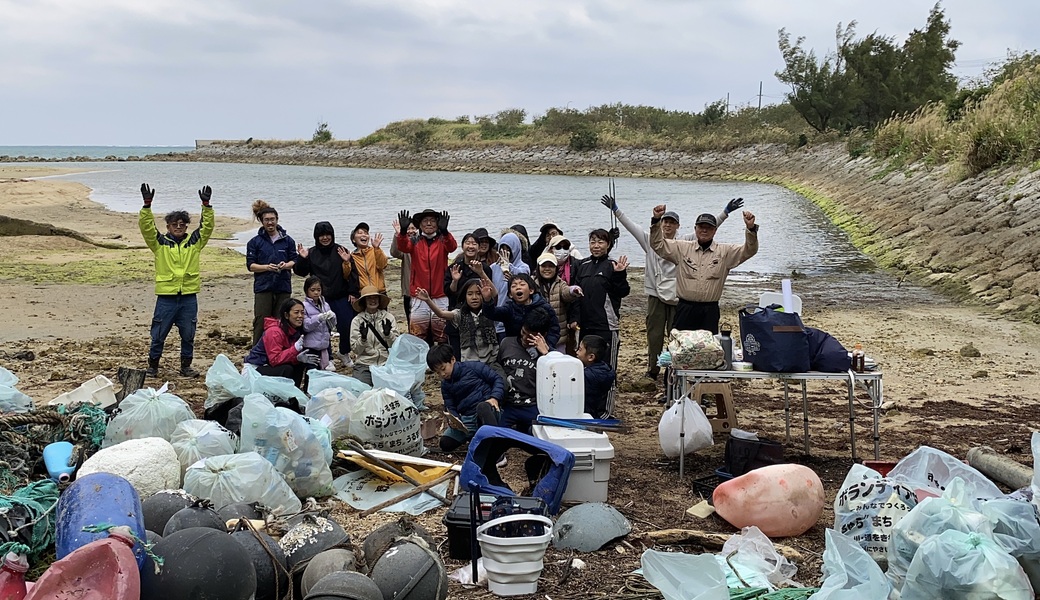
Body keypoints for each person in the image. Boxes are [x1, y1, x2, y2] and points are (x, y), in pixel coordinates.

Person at [602, 193, 741, 380]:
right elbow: (631, 226)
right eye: (665, 222)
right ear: (660, 224)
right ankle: (653, 370)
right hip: (655, 295)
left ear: (678, 226)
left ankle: (674, 372)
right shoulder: (650, 239)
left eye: (672, 223)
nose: (667, 225)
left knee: (677, 337)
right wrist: (616, 210)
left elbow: (706, 230)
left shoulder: (684, 243)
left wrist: (725, 212)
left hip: (677, 297)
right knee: (654, 335)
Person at [138, 182, 215, 378]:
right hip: (166, 297)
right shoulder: (159, 243)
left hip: (188, 296)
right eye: (174, 224)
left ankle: (186, 366)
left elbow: (207, 228)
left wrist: (206, 206)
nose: (178, 227)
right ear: (168, 227)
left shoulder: (194, 242)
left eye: (182, 224)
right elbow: (147, 228)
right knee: (158, 334)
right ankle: (153, 367)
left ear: (186, 226)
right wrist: (147, 206)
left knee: (188, 334)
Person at [649, 204, 759, 333]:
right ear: (695, 229)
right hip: (685, 308)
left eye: (709, 228)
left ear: (715, 230)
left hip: (710, 311)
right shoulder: (681, 248)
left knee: (709, 345)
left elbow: (749, 250)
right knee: (681, 344)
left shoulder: (725, 252)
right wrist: (656, 220)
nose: (704, 230)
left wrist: (751, 229)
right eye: (701, 227)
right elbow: (658, 244)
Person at [293, 222, 353, 365]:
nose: (325, 238)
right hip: (319, 298)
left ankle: (344, 352)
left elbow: (352, 273)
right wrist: (302, 258)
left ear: (332, 235)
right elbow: (300, 272)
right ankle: (328, 358)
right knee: (322, 328)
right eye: (321, 235)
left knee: (347, 324)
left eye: (328, 235)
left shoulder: (341, 250)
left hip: (340, 295)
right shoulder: (311, 253)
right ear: (316, 237)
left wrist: (353, 291)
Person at [427, 343, 504, 452]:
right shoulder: (445, 384)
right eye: (438, 372)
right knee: (446, 443)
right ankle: (475, 437)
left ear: (452, 359)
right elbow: (450, 405)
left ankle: (496, 448)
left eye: (443, 369)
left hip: (487, 412)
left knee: (482, 407)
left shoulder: (473, 367)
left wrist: (494, 397)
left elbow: (497, 379)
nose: (442, 374)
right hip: (467, 419)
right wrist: (454, 419)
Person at [395, 208, 457, 344]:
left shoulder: (443, 240)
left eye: (432, 221)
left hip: (440, 294)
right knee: (418, 334)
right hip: (419, 295)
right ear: (420, 225)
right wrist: (403, 232)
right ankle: (421, 357)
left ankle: (442, 356)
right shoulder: (414, 241)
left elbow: (452, 247)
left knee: (442, 334)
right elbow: (403, 247)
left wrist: (445, 232)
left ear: (438, 224)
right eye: (425, 221)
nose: (429, 223)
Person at [416, 278, 500, 368]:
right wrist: (428, 300)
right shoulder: (460, 314)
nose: (474, 297)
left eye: (478, 293)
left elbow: (495, 295)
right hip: (469, 363)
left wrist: (481, 273)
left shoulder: (490, 311)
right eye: (470, 294)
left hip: (491, 361)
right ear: (465, 296)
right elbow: (441, 314)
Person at [246, 201, 298, 346]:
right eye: (267, 220)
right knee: (261, 320)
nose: (270, 223)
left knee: (282, 321)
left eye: (272, 219)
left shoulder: (288, 241)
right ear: (262, 221)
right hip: (263, 287)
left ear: (277, 219)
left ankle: (279, 349)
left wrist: (286, 265)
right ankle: (257, 350)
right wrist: (266, 267)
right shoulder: (254, 242)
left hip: (283, 286)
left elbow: (294, 260)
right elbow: (251, 266)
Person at [497, 308, 553, 434]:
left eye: (530, 336)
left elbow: (554, 382)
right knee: (496, 434)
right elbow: (497, 368)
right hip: (509, 404)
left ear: (542, 336)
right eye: (523, 332)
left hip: (532, 405)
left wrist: (545, 354)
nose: (525, 338)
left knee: (540, 435)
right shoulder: (507, 343)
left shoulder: (549, 356)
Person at [244, 298, 320, 390]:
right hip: (255, 369)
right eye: (296, 313)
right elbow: (274, 359)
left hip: (269, 366)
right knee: (287, 369)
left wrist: (297, 358)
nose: (300, 316)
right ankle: (284, 393)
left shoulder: (294, 331)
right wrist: (295, 349)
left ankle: (294, 393)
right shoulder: (274, 332)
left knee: (300, 364)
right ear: (286, 315)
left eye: (302, 313)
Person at [444, 232, 493, 359]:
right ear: (462, 246)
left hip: (479, 316)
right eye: (467, 243)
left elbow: (491, 292)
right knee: (457, 353)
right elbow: (449, 292)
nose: (470, 246)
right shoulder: (454, 267)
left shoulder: (485, 269)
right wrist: (455, 281)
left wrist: (481, 272)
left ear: (478, 247)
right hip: (458, 313)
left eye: (474, 243)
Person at [482, 273, 561, 348]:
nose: (518, 287)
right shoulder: (509, 308)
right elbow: (491, 313)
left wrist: (547, 346)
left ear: (531, 290)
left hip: (540, 346)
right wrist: (487, 300)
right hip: (516, 347)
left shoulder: (544, 307)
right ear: (510, 295)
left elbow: (554, 329)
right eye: (514, 286)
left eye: (522, 284)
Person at [349, 285, 399, 385]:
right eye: (369, 298)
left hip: (386, 363)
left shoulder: (388, 318)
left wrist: (388, 335)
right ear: (364, 301)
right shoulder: (357, 320)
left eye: (375, 297)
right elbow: (356, 350)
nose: (373, 300)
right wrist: (363, 339)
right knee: (361, 388)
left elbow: (396, 347)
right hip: (365, 364)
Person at [533, 253, 581, 354]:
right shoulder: (532, 283)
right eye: (544, 266)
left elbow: (566, 292)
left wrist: (573, 290)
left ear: (556, 268)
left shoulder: (560, 283)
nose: (547, 269)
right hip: (536, 334)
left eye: (551, 266)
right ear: (538, 267)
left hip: (559, 336)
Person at [300, 276, 337, 370]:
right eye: (312, 290)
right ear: (306, 290)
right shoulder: (304, 306)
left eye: (318, 290)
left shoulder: (325, 305)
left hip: (324, 346)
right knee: (311, 371)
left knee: (324, 371)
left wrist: (332, 317)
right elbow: (306, 326)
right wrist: (318, 318)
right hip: (310, 346)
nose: (316, 292)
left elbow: (332, 326)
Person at [577, 334, 616, 419]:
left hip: (590, 416)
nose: (577, 353)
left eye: (580, 350)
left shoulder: (589, 376)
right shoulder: (603, 368)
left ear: (591, 357)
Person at [390, 219, 419, 324]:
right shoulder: (405, 247)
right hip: (409, 290)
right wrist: (398, 235)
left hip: (424, 290)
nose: (411, 231)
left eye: (413, 228)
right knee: (410, 319)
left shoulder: (422, 243)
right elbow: (394, 253)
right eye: (408, 229)